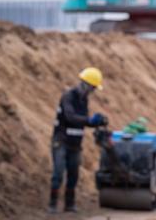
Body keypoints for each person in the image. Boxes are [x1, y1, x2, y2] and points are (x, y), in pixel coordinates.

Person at [48, 67, 108, 213]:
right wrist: (89, 120)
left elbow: (82, 121)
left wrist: (96, 122)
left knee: (73, 175)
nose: (92, 91)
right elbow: (70, 117)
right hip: (61, 141)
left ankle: (69, 205)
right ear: (86, 85)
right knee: (58, 173)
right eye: (93, 88)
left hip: (75, 144)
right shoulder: (68, 96)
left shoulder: (84, 100)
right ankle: (53, 204)